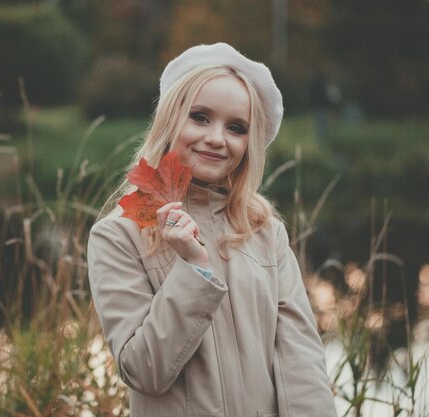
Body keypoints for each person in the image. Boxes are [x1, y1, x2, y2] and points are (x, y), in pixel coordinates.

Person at [87, 43, 337, 417]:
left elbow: (301, 364)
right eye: (200, 117)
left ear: (249, 145)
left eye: (236, 127)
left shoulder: (264, 232)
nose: (217, 138)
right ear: (171, 121)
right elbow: (144, 371)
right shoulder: (119, 235)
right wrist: (193, 268)